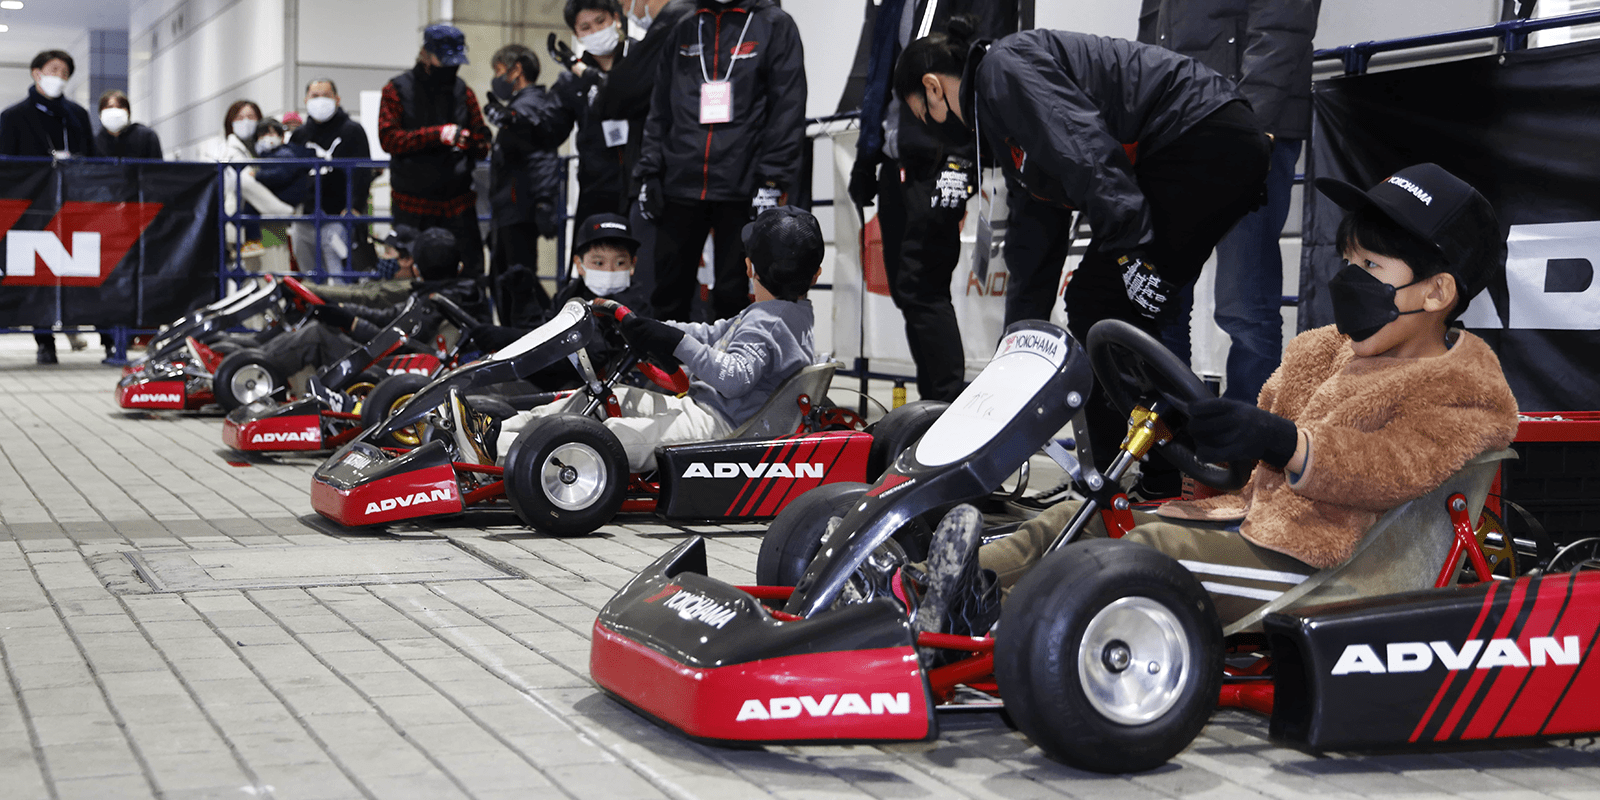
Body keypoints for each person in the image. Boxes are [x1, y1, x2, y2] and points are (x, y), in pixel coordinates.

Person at [909, 164, 1520, 644]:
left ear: (1437, 291)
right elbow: (1244, 468)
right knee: (1092, 517)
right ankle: (928, 590)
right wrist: (1204, 436)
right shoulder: (1319, 351)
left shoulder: (1466, 387)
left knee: (1133, 562)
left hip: (1326, 567)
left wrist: (1282, 441)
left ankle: (979, 627)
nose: (1348, 277)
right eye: (1347, 260)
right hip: (1248, 524)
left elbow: (1391, 468)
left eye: (1370, 265)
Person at [894, 21, 1271, 489]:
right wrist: (1016, 342)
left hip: (1201, 138)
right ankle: (1165, 475)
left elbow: (1081, 146)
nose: (934, 128)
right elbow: (1036, 234)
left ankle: (1117, 478)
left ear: (933, 86)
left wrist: (1130, 241)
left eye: (925, 114)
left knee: (1098, 306)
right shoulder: (1002, 113)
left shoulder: (1001, 69)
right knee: (1137, 315)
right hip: (1199, 143)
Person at [493, 206, 822, 471]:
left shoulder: (771, 320)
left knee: (609, 436)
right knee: (613, 397)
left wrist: (677, 343)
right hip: (704, 409)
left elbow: (734, 377)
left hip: (722, 425)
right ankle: (500, 432)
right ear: (817, 274)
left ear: (749, 267)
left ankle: (500, 452)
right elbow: (712, 333)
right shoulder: (783, 314)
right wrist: (656, 329)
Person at [1140, 0, 1322, 404]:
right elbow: (1153, 32)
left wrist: (1251, 124)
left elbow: (1282, 20)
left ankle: (1246, 449)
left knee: (1245, 302)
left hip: (1240, 124)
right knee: (1166, 297)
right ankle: (1173, 441)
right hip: (1177, 126)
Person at [850, 1, 1008, 402]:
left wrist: (965, 156)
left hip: (943, 154)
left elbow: (983, 64)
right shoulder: (894, 5)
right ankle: (934, 407)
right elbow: (878, 78)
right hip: (893, 158)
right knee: (907, 290)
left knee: (924, 284)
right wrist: (866, 159)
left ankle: (947, 406)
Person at [634, 0, 808, 322]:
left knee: (734, 293)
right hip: (680, 183)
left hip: (742, 184)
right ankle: (666, 370)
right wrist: (649, 171)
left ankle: (733, 367)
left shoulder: (774, 25)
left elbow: (788, 108)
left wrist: (772, 179)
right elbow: (659, 107)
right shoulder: (683, 26)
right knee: (667, 291)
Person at [261, 228, 487, 379]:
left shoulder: (437, 302)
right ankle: (253, 360)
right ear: (459, 267)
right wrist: (340, 310)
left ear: (415, 268)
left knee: (317, 335)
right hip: (399, 362)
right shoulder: (440, 295)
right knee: (324, 325)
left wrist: (351, 323)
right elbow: (390, 316)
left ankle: (255, 370)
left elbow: (403, 343)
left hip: (398, 370)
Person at [0, 50, 97, 364]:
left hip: (73, 205)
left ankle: (99, 333)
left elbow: (94, 158)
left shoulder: (76, 115)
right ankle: (44, 340)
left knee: (78, 270)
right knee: (37, 273)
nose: (60, 76)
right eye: (54, 69)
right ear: (36, 73)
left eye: (65, 72)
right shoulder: (13, 117)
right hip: (32, 209)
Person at [596, 0, 696, 295]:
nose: (627, 9)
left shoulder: (675, 21)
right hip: (678, 172)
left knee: (654, 286)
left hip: (665, 177)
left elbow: (617, 95)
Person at [379, 25, 492, 277]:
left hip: (457, 203)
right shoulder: (396, 89)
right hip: (412, 206)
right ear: (425, 54)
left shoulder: (463, 91)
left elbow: (481, 139)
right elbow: (389, 139)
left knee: (471, 272)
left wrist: (472, 142)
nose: (450, 68)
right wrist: (436, 136)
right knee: (411, 274)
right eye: (444, 60)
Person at [485, 44, 568, 325]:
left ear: (515, 69)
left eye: (498, 71)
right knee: (507, 278)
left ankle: (541, 329)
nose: (496, 79)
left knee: (517, 280)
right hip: (511, 206)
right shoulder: (521, 105)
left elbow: (543, 154)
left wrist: (545, 201)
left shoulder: (529, 105)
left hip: (518, 207)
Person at [291, 78, 374, 277]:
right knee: (308, 278)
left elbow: (363, 172)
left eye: (326, 96)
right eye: (315, 96)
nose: (320, 101)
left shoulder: (353, 131)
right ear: (305, 100)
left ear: (337, 99)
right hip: (305, 218)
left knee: (339, 278)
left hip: (339, 218)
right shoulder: (299, 136)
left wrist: (355, 205)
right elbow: (291, 174)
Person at [215, 100, 296, 275]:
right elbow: (244, 185)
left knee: (279, 275)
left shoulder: (261, 150)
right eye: (239, 117)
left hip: (272, 226)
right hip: (250, 227)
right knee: (256, 279)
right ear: (230, 122)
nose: (245, 121)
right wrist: (282, 210)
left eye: (251, 116)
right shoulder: (230, 152)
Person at [93, 90, 162, 159]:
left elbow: (158, 168)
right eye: (110, 107)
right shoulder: (95, 143)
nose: (115, 111)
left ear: (128, 113)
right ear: (100, 114)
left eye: (120, 107)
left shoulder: (146, 137)